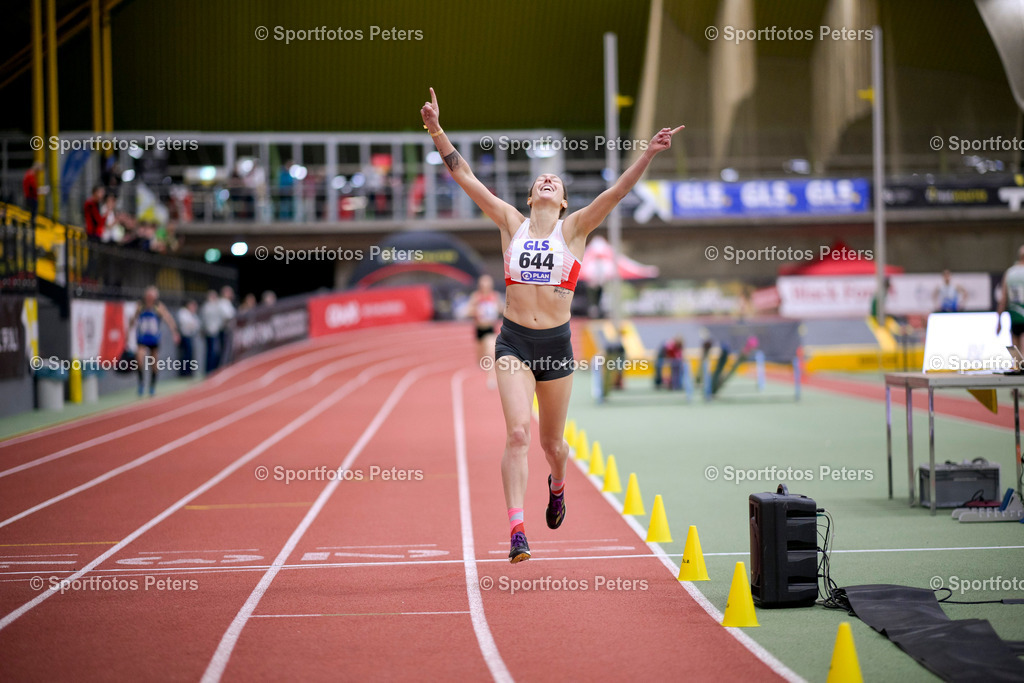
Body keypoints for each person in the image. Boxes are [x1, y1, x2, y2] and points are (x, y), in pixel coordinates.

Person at [421, 87, 683, 563]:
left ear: (562, 202)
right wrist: (437, 130)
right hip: (514, 342)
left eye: (555, 181)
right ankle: (517, 531)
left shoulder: (576, 228)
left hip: (557, 348)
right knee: (518, 434)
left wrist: (647, 153)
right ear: (530, 196)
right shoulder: (510, 222)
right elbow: (465, 176)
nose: (547, 180)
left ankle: (557, 485)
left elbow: (618, 192)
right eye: (541, 178)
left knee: (553, 444)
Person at [128, 286, 180, 396]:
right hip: (142, 338)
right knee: (139, 359)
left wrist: (174, 332)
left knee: (154, 363)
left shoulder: (158, 307)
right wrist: (128, 331)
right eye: (148, 296)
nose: (150, 298)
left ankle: (152, 386)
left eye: (152, 296)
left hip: (154, 339)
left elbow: (168, 319)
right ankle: (141, 383)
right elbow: (133, 319)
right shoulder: (141, 306)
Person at [467, 274, 502, 388]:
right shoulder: (476, 296)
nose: (485, 285)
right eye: (483, 283)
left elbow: (502, 309)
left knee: (490, 353)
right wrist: (476, 310)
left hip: (490, 330)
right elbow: (468, 311)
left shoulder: (495, 296)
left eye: (487, 283)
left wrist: (497, 309)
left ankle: (491, 378)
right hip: (479, 330)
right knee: (480, 360)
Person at [997, 246, 1024, 350]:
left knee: (1016, 355)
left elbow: (1003, 299)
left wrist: (999, 321)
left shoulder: (1009, 272)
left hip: (1014, 317)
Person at [200, 289, 225, 373]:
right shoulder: (208, 307)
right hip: (210, 332)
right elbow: (205, 320)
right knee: (211, 351)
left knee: (213, 351)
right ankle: (210, 369)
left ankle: (212, 368)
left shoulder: (214, 306)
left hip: (214, 331)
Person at [176, 300, 200, 377]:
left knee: (190, 355)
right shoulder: (183, 312)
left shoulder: (192, 314)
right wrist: (191, 325)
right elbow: (185, 324)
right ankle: (184, 372)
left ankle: (189, 372)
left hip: (190, 336)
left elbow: (197, 325)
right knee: (185, 355)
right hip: (184, 336)